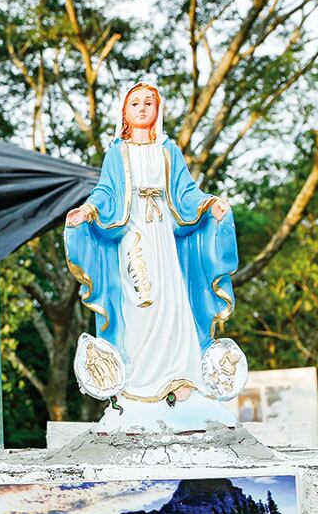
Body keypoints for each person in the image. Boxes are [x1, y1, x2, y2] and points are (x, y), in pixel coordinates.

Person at [63, 82, 241, 429]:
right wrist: (87, 210)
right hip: (133, 236)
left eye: (149, 103)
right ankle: (138, 385)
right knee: (140, 303)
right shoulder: (118, 152)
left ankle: (181, 379)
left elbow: (186, 191)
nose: (143, 108)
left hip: (163, 238)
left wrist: (209, 203)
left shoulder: (168, 150)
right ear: (125, 113)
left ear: (157, 110)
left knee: (172, 302)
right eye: (135, 103)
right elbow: (106, 191)